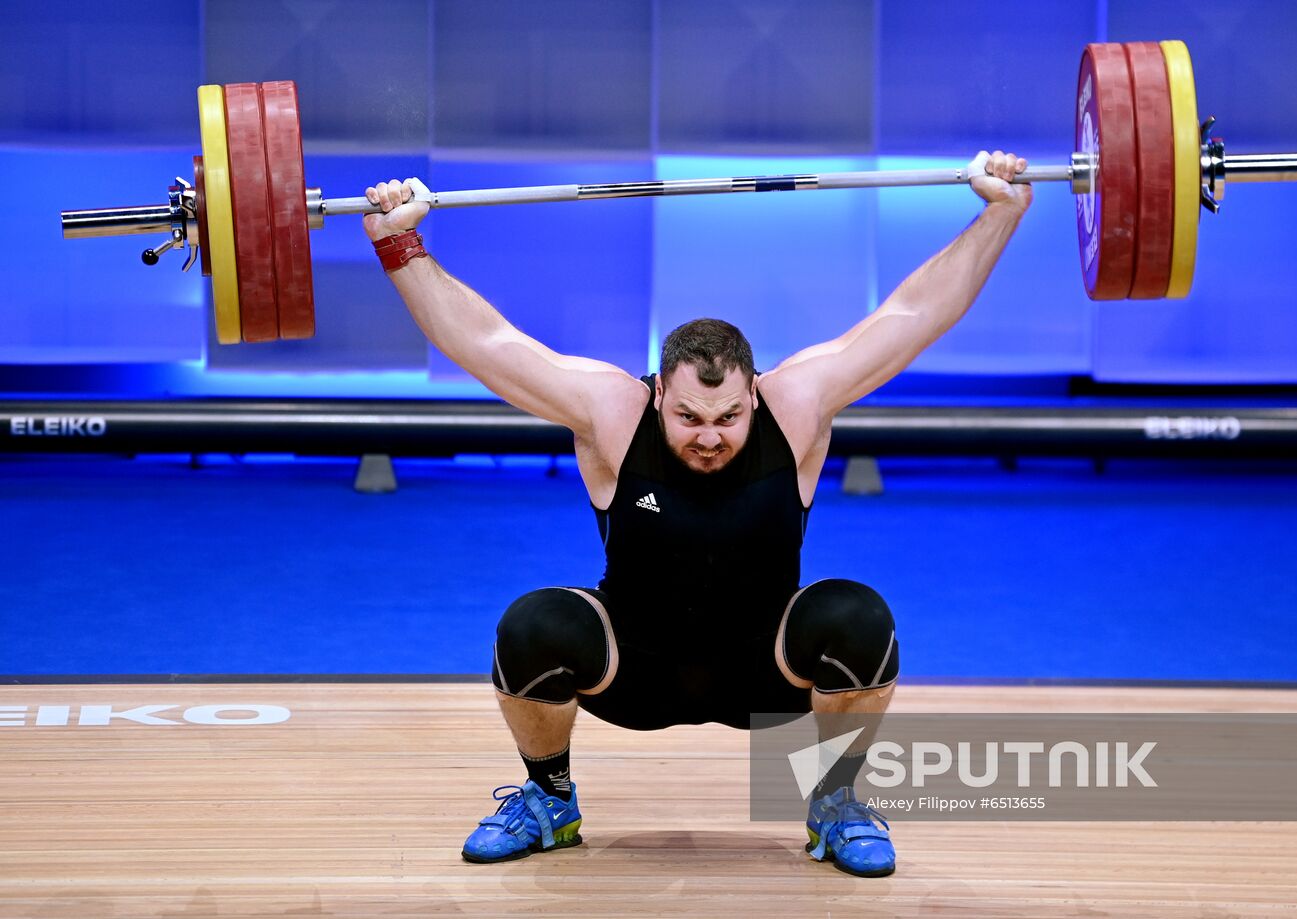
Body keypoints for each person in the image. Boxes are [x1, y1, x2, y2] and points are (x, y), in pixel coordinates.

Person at [362, 151, 1031, 878]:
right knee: (531, 628)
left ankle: (834, 802)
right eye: (687, 416)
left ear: (754, 395)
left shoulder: (797, 405)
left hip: (767, 674)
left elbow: (915, 313)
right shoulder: (612, 411)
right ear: (658, 396)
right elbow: (486, 344)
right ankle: (550, 799)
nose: (708, 435)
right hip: (634, 667)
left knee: (860, 620)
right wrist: (400, 245)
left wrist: (1001, 212)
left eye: (727, 417)